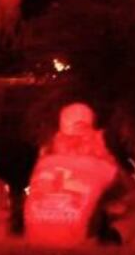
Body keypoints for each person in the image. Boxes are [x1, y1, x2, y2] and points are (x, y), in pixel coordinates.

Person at [20, 103, 118, 245]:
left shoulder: (43, 164)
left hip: (34, 253)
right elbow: (133, 197)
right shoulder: (103, 168)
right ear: (94, 134)